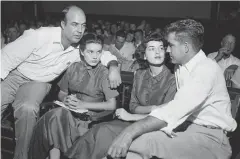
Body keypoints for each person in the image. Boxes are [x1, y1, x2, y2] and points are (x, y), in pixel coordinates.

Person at [1, 5, 120, 159]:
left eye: (83, 25)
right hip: (15, 74)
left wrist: (114, 67)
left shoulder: (80, 48)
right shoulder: (40, 36)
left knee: (28, 109)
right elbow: (6, 57)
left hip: (38, 82)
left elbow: (102, 54)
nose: (79, 30)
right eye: (74, 24)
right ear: (63, 25)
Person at [106, 19, 237, 159]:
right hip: (186, 129)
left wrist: (129, 132)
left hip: (211, 139)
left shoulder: (205, 70)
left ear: (185, 47)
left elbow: (173, 110)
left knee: (143, 144)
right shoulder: (181, 65)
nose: (167, 50)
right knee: (138, 144)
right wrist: (113, 66)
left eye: (171, 45)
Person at [61, 33, 177, 159]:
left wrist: (133, 116)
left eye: (161, 48)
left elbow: (167, 116)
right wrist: (154, 108)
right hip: (132, 120)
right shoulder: (139, 74)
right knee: (101, 129)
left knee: (104, 133)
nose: (157, 52)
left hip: (156, 127)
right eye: (152, 48)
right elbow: (133, 106)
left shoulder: (173, 78)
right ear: (144, 54)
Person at [28, 33, 119, 159]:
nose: (95, 56)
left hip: (90, 120)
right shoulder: (73, 68)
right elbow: (62, 93)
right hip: (70, 114)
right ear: (81, 52)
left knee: (56, 117)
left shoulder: (103, 73)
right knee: (57, 115)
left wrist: (83, 105)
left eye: (98, 52)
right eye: (90, 52)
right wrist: (66, 100)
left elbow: (112, 105)